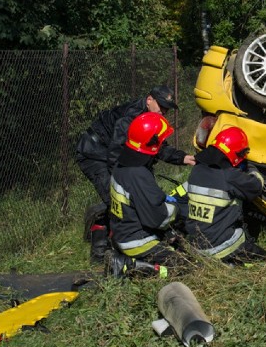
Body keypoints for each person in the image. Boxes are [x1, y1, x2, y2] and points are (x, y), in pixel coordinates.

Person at [75, 85, 195, 262]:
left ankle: (127, 239)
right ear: (149, 100)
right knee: (114, 197)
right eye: (161, 106)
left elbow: (155, 147)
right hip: (95, 153)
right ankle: (100, 248)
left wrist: (182, 158)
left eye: (167, 109)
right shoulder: (131, 118)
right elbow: (116, 156)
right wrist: (133, 185)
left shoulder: (149, 117)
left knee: (132, 196)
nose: (163, 112)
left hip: (111, 153)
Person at [107, 112, 186, 277]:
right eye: (162, 142)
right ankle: (131, 267)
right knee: (186, 267)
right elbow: (159, 218)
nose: (164, 145)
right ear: (152, 145)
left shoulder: (122, 165)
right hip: (137, 241)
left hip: (123, 233)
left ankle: (127, 260)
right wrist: (179, 210)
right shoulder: (138, 174)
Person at [184, 127, 266, 265]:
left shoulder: (197, 170)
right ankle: (230, 263)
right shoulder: (229, 175)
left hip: (196, 245)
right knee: (263, 259)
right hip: (220, 246)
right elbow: (255, 187)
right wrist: (252, 169)